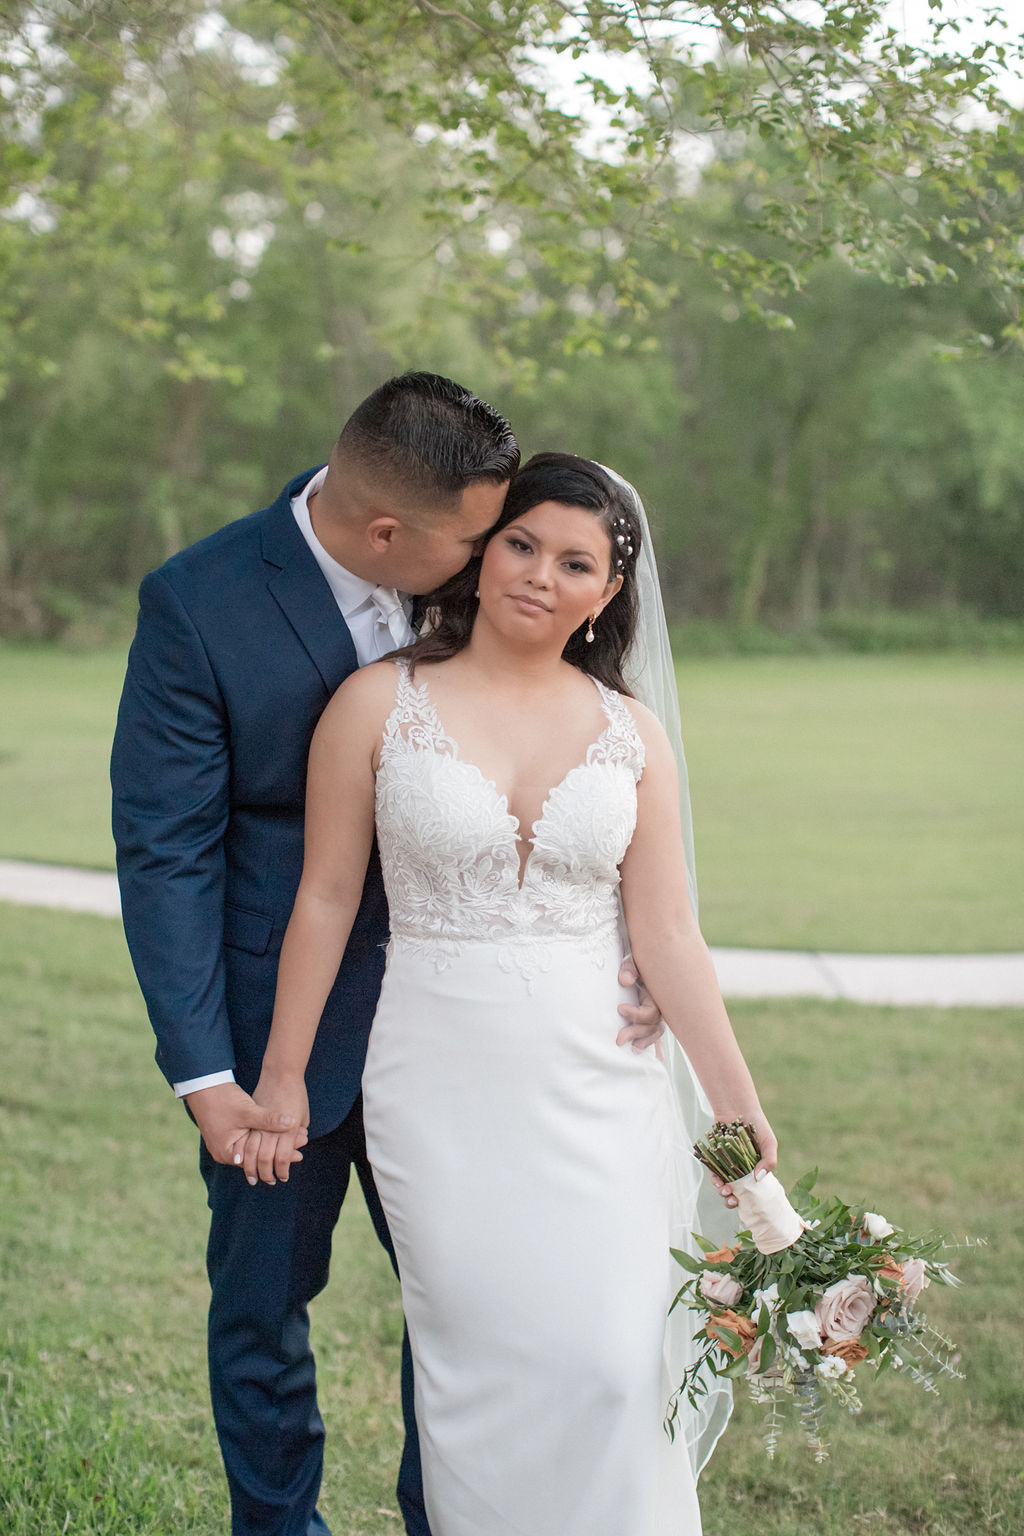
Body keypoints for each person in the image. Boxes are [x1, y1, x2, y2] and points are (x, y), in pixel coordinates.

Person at [110, 374, 663, 1536]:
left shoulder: (477, 565)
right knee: (262, 1308)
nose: (500, 564)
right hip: (280, 1039)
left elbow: (560, 773)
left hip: (477, 1039)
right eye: (482, 540)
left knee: (475, 1314)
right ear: (386, 535)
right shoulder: (198, 601)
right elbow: (166, 852)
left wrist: (615, 954)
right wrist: (212, 1073)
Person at [242, 453, 778, 1536]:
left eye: (574, 561)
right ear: (482, 555)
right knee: (477, 1368)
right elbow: (328, 898)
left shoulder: (631, 735)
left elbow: (669, 932)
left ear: (606, 594)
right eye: (521, 544)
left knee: (615, 1368)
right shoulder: (376, 703)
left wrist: (735, 1104)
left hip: (602, 1082)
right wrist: (283, 1078)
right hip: (436, 1080)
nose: (539, 574)